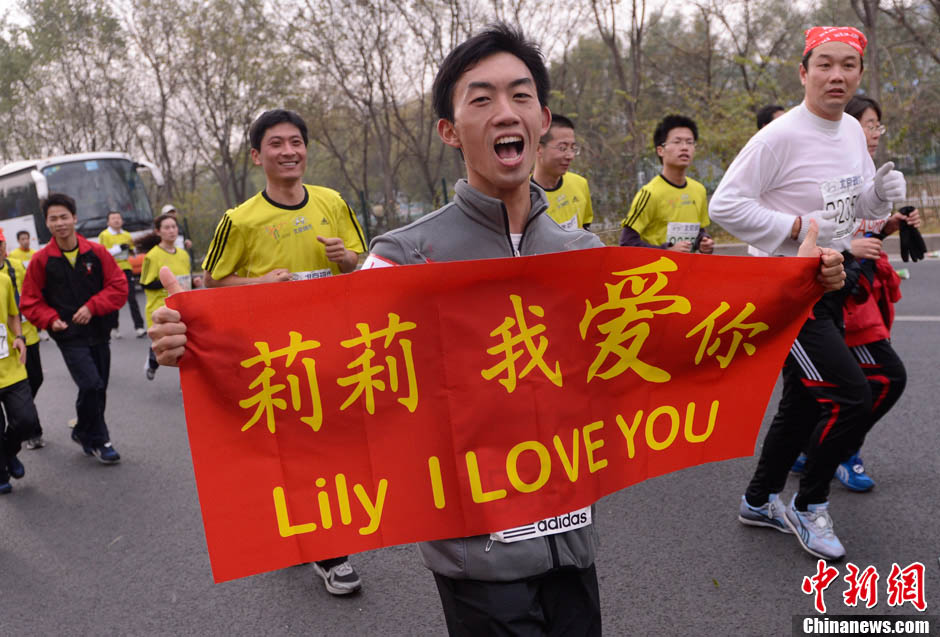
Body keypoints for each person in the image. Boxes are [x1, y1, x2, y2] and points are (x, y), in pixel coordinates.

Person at [150, 24, 844, 634]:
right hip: (474, 553)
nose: (503, 111)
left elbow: (678, 337)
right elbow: (330, 368)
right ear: (450, 130)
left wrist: (799, 282)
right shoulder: (403, 255)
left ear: (542, 119)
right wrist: (204, 343)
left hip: (572, 538)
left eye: (519, 95)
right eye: (479, 99)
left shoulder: (580, 256)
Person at [710, 26, 905, 561]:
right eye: (824, 64)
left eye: (848, 65)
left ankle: (758, 500)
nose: (836, 75)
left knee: (800, 402)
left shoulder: (847, 132)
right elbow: (724, 208)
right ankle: (809, 502)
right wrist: (800, 228)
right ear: (803, 72)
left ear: (859, 74)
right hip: (786, 289)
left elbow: (852, 202)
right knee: (853, 393)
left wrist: (878, 195)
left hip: (834, 281)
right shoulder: (779, 136)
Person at [197, 109, 366, 594]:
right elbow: (212, 281)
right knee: (298, 451)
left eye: (296, 142)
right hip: (274, 359)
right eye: (276, 144)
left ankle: (309, 533)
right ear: (257, 155)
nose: (289, 151)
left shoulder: (332, 202)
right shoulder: (240, 219)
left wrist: (347, 258)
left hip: (335, 350)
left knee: (334, 448)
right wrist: (258, 283)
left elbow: (359, 262)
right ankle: (331, 554)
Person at [790, 94, 922, 491]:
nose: (875, 133)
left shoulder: (868, 170)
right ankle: (836, 453)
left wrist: (889, 227)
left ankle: (809, 453)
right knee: (884, 379)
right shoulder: (827, 168)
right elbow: (826, 231)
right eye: (868, 124)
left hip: (861, 293)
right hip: (838, 297)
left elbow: (862, 226)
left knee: (814, 392)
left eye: (878, 125)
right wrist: (851, 249)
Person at [21, 193, 128, 464]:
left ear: (74, 218)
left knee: (97, 386)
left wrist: (93, 306)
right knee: (91, 384)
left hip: (99, 330)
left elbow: (119, 287)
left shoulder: (97, 252)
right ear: (47, 223)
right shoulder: (41, 261)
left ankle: (82, 429)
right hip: (68, 335)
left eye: (64, 217)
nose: (59, 223)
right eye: (53, 219)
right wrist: (49, 319)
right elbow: (30, 301)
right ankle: (101, 440)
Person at [619, 114, 714, 254]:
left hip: (688, 272)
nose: (684, 147)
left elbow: (698, 231)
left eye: (690, 142)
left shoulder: (698, 190)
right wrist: (666, 251)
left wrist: (704, 241)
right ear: (660, 150)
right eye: (677, 142)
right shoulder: (650, 193)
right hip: (658, 272)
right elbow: (627, 243)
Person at [140, 213, 199, 380]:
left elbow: (186, 278)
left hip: (183, 308)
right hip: (160, 308)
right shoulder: (152, 256)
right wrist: (170, 283)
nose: (172, 231)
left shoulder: (183, 254)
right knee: (162, 344)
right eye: (167, 227)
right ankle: (152, 363)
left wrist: (193, 282)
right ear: (158, 232)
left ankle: (187, 384)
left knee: (186, 346)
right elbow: (146, 283)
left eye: (174, 227)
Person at [1, 230, 45, 449]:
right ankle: (31, 432)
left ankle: (21, 415)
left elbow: (32, 290)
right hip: (8, 344)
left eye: (1, 244)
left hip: (25, 335)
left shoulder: (14, 267)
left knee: (35, 378)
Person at [0, 260, 39, 495]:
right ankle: (2, 472)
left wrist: (19, 337)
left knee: (26, 421)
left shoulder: (4, 280)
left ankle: (8, 452)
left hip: (11, 366)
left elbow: (14, 315)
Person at [530, 114, 594, 230]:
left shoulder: (580, 184)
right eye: (562, 148)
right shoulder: (522, 195)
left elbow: (586, 228)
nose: (570, 156)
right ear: (539, 149)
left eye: (573, 148)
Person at [97, 211, 146, 338]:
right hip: (111, 270)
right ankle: (114, 326)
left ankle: (139, 326)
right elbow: (103, 254)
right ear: (108, 222)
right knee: (114, 298)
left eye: (118, 218)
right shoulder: (104, 235)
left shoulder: (127, 234)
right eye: (113, 218)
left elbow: (133, 253)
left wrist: (131, 250)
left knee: (132, 297)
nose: (116, 220)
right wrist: (119, 248)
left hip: (126, 268)